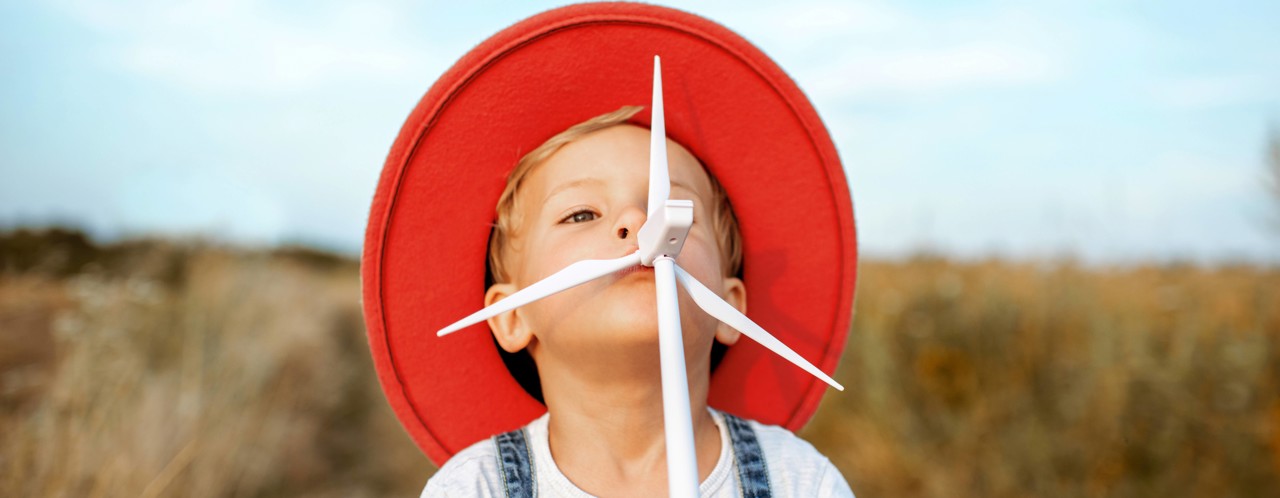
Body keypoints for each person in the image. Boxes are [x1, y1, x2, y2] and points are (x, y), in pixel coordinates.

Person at [360, 3, 859, 497]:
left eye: (671, 208)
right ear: (512, 317)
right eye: (581, 214)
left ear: (729, 307)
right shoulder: (474, 488)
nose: (638, 222)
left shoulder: (800, 480)